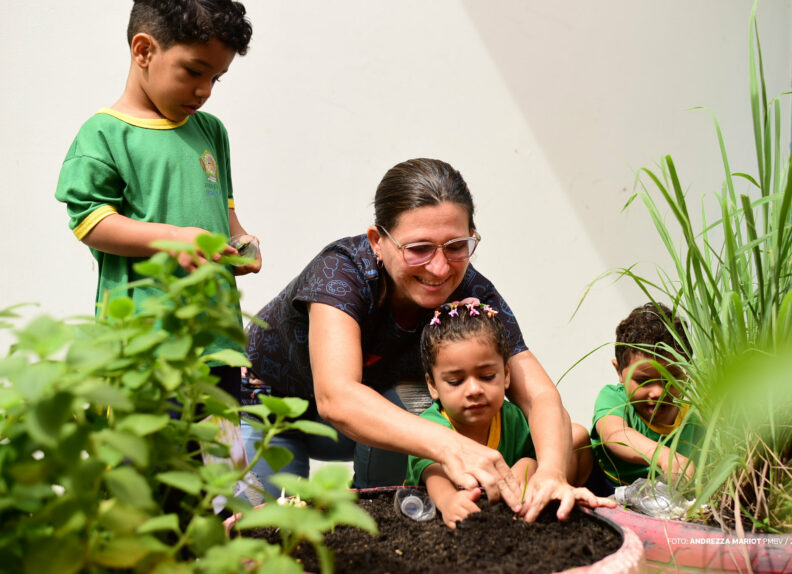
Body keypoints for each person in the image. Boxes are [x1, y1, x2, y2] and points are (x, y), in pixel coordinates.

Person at [244, 157, 583, 521]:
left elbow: (539, 394)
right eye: (419, 249)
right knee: (260, 529)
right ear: (378, 241)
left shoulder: (473, 291)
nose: (440, 268)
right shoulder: (341, 273)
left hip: (370, 421)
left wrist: (552, 471)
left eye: (456, 246)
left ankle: (384, 515)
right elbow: (336, 397)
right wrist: (451, 446)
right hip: (266, 412)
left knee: (417, 400)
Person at [55, 0, 261, 400]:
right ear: (144, 51)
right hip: (146, 344)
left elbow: (225, 216)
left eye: (216, 79)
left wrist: (241, 243)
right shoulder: (104, 134)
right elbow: (91, 222)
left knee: (221, 441)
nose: (204, 91)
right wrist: (174, 237)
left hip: (216, 341)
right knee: (148, 441)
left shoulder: (211, 132)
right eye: (194, 71)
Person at [405, 302, 615, 528]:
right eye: (455, 381)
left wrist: (531, 468)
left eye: (487, 376)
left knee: (561, 444)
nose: (474, 390)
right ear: (433, 385)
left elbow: (536, 458)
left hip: (505, 514)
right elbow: (433, 473)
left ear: (506, 375)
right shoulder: (431, 424)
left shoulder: (511, 417)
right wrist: (448, 500)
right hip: (438, 518)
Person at [589, 302, 702, 496]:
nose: (657, 392)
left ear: (687, 374)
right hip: (609, 489)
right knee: (576, 439)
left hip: (665, 499)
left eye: (670, 379)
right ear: (619, 371)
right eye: (643, 381)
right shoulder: (614, 398)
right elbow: (614, 433)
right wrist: (663, 455)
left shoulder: (695, 416)